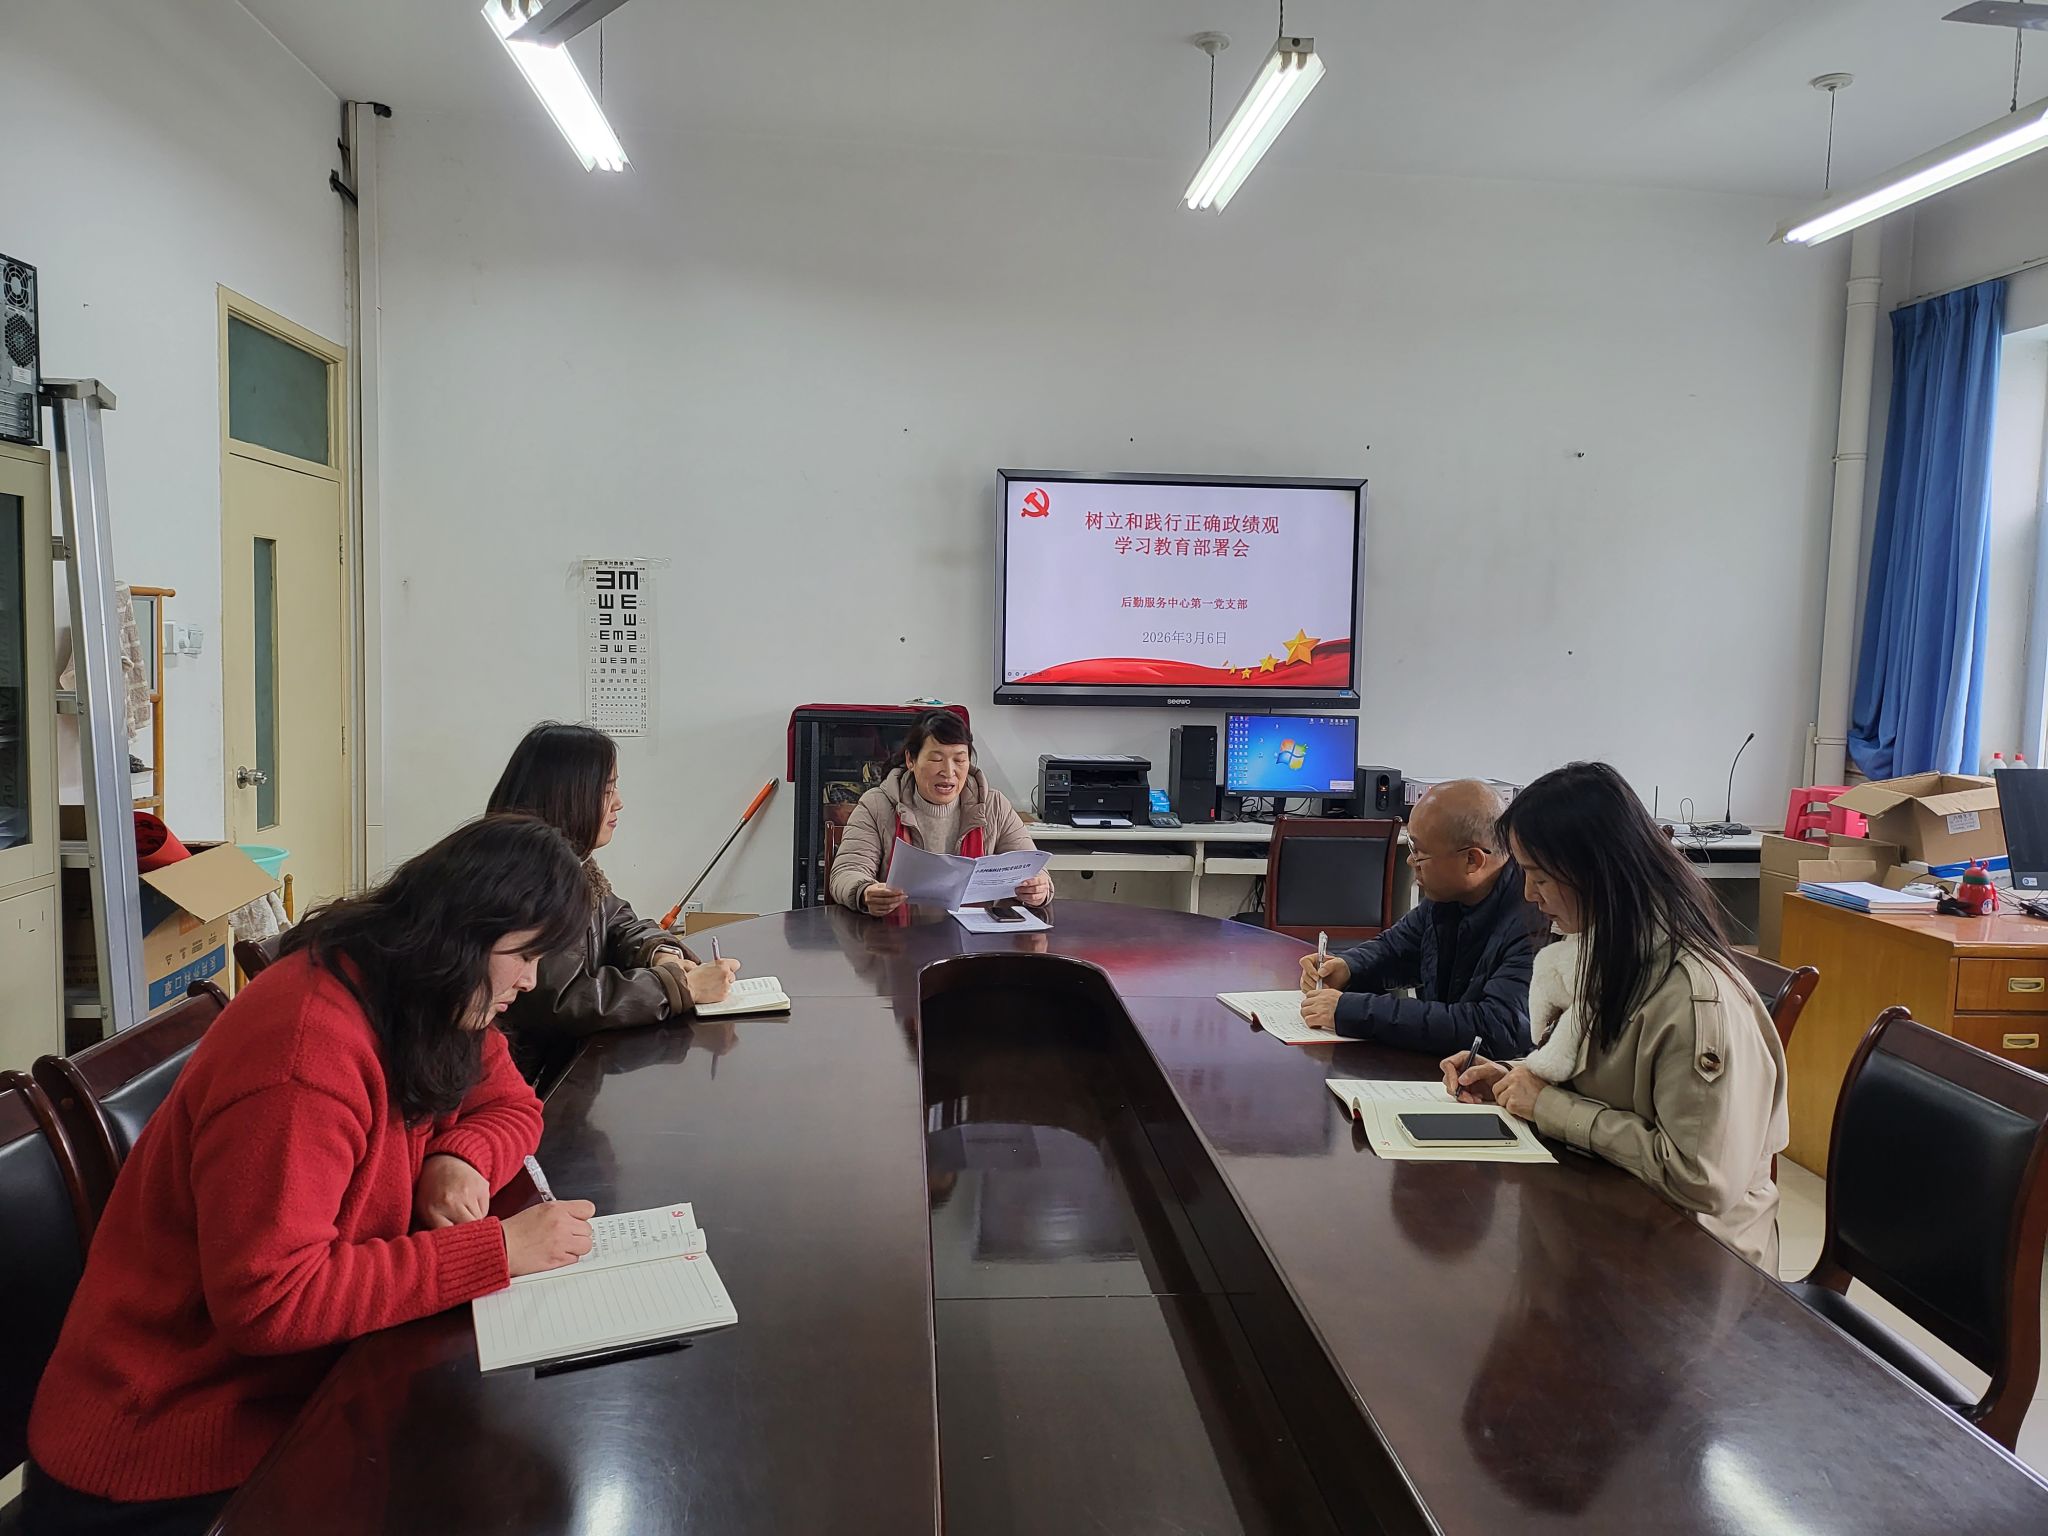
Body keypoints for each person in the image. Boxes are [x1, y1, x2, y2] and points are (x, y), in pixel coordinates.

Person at [24, 815, 602, 1536]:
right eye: (525, 955)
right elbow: (271, 1300)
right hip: (169, 1449)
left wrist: (459, 1156)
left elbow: (511, 1104)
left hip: (299, 1389)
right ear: (462, 934)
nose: (531, 980)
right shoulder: (305, 1051)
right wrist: (495, 1251)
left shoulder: (424, 997)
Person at [1442, 761, 1788, 1268]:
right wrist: (1514, 1078)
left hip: (1696, 1262)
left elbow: (1701, 1179)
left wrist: (1550, 1106)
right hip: (1618, 1218)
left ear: (1596, 875)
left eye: (1540, 877)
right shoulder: (1603, 953)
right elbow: (1605, 1078)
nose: (1528, 895)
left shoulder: (1693, 1001)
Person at [487, 722, 740, 1085]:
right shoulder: (528, 877)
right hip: (529, 1084)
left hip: (562, 1069)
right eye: (607, 790)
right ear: (565, 795)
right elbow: (564, 1000)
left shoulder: (573, 861)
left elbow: (617, 920)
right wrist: (681, 988)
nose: (618, 802)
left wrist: (660, 953)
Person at [1297, 779, 1540, 1059]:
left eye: (1419, 852)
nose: (1410, 861)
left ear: (1472, 861)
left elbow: (1497, 1028)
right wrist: (1348, 968)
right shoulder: (1448, 898)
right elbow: (1396, 949)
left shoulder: (1534, 919)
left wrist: (1352, 1011)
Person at [827, 710, 1054, 915]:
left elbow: (1034, 869)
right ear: (911, 760)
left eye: (959, 759)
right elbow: (847, 871)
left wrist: (1038, 889)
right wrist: (865, 892)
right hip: (896, 939)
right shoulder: (877, 805)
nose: (948, 771)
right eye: (936, 759)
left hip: (976, 940)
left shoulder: (993, 805)